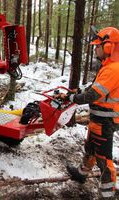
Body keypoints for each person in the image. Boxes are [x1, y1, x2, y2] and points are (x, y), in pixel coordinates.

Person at [56, 27, 119, 199]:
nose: (95, 49)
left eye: (97, 46)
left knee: (104, 159)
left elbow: (92, 95)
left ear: (108, 47)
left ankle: (107, 195)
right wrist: (73, 92)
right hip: (98, 118)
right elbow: (93, 88)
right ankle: (82, 174)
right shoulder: (107, 67)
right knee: (90, 147)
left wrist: (73, 97)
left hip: (105, 121)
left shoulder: (113, 69)